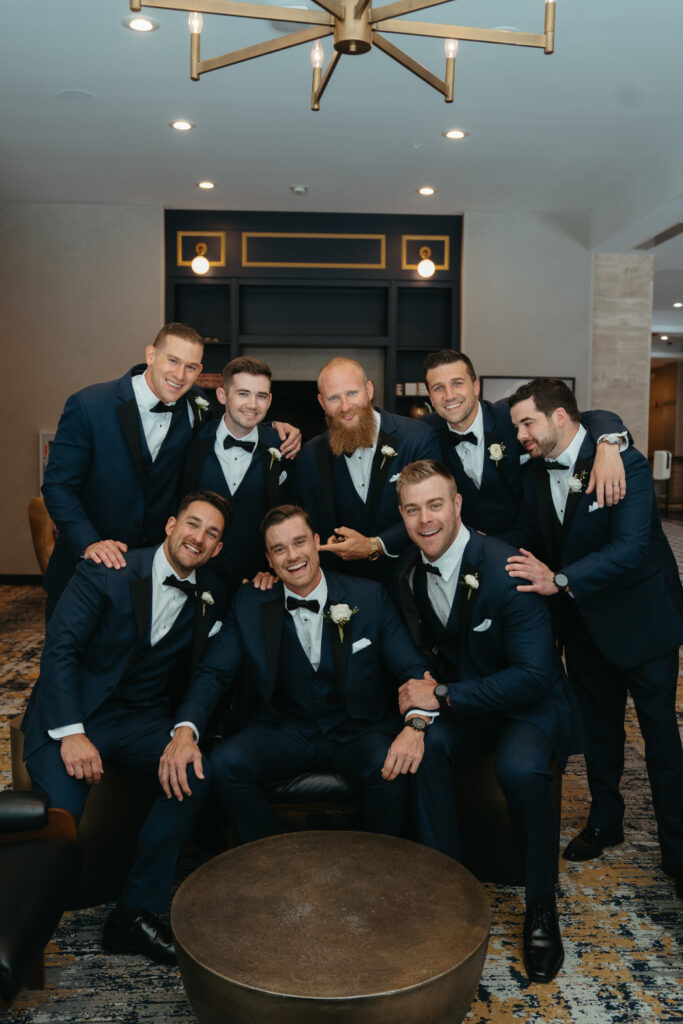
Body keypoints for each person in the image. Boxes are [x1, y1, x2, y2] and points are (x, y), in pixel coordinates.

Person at [22, 492, 231, 965]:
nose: (198, 537)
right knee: (61, 821)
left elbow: (206, 675)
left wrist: (184, 731)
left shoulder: (214, 593)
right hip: (76, 713)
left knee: (193, 777)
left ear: (217, 549)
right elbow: (60, 649)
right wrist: (73, 732)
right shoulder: (108, 570)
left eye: (212, 533)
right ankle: (19, 925)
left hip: (141, 719)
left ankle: (134, 913)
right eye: (193, 524)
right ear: (171, 525)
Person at [393, 459, 577, 983]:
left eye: (434, 505)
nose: (425, 519)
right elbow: (415, 655)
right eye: (412, 510)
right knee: (422, 753)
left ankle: (541, 904)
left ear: (457, 505)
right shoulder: (406, 571)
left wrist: (444, 694)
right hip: (468, 706)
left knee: (520, 771)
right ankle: (445, 888)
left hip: (527, 704)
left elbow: (535, 675)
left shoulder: (508, 569)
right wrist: (419, 710)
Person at [504, 378, 683, 900]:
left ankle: (677, 847)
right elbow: (527, 531)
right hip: (583, 627)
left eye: (527, 423)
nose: (520, 435)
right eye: (516, 426)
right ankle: (607, 822)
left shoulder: (622, 461)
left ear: (560, 418)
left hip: (644, 624)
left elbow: (630, 548)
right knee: (601, 732)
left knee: (661, 742)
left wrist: (559, 580)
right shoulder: (536, 472)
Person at [160, 504, 432, 845]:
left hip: (357, 731)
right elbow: (213, 673)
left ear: (316, 542)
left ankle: (375, 864)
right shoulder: (249, 602)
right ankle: (267, 858)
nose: (292, 556)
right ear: (269, 560)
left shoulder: (370, 597)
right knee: (227, 764)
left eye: (299, 542)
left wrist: (416, 726)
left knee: (390, 764)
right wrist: (186, 730)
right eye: (279, 549)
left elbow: (412, 669)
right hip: (286, 730)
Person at [42, 324, 300, 618]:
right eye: (173, 361)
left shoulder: (197, 405)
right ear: (151, 355)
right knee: (67, 656)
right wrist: (89, 542)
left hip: (154, 575)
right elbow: (57, 486)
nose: (180, 375)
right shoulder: (89, 405)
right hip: (86, 567)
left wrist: (276, 429)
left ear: (199, 370)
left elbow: (240, 415)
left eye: (190, 367)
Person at [420, 350, 629, 536]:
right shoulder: (424, 431)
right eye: (438, 388)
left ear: (475, 386)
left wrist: (608, 444)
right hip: (468, 552)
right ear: (430, 396)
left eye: (457, 383)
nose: (449, 395)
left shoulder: (509, 415)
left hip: (531, 544)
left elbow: (586, 417)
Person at [296, 357, 440, 583]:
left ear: (369, 390)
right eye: (334, 398)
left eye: (352, 393)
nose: (345, 406)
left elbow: (434, 512)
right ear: (322, 402)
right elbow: (305, 521)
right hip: (341, 586)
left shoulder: (417, 439)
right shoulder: (308, 456)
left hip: (410, 580)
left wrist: (375, 545)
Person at [179, 356, 294, 595]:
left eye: (261, 396)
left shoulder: (284, 447)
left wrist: (274, 569)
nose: (252, 404)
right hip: (194, 578)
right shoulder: (190, 441)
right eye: (243, 394)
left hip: (258, 583)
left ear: (270, 400)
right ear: (222, 396)